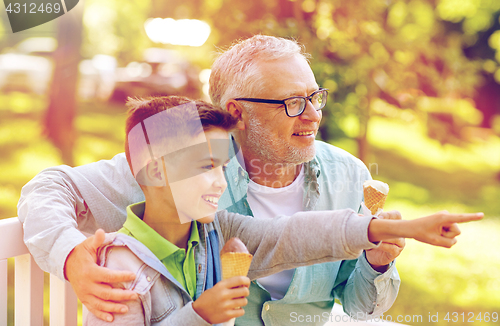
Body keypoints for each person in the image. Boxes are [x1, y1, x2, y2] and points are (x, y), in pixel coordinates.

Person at [15, 35, 474, 325]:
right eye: (293, 102)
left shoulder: (348, 175)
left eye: (316, 97)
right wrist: (71, 254)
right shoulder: (178, 166)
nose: (314, 115)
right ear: (238, 113)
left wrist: (378, 258)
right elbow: (50, 186)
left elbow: (354, 303)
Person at [85, 95, 484, 325]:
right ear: (155, 171)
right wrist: (199, 316)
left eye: (224, 167)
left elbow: (293, 235)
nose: (221, 183)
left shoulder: (214, 232)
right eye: (206, 168)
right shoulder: (118, 269)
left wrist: (396, 228)